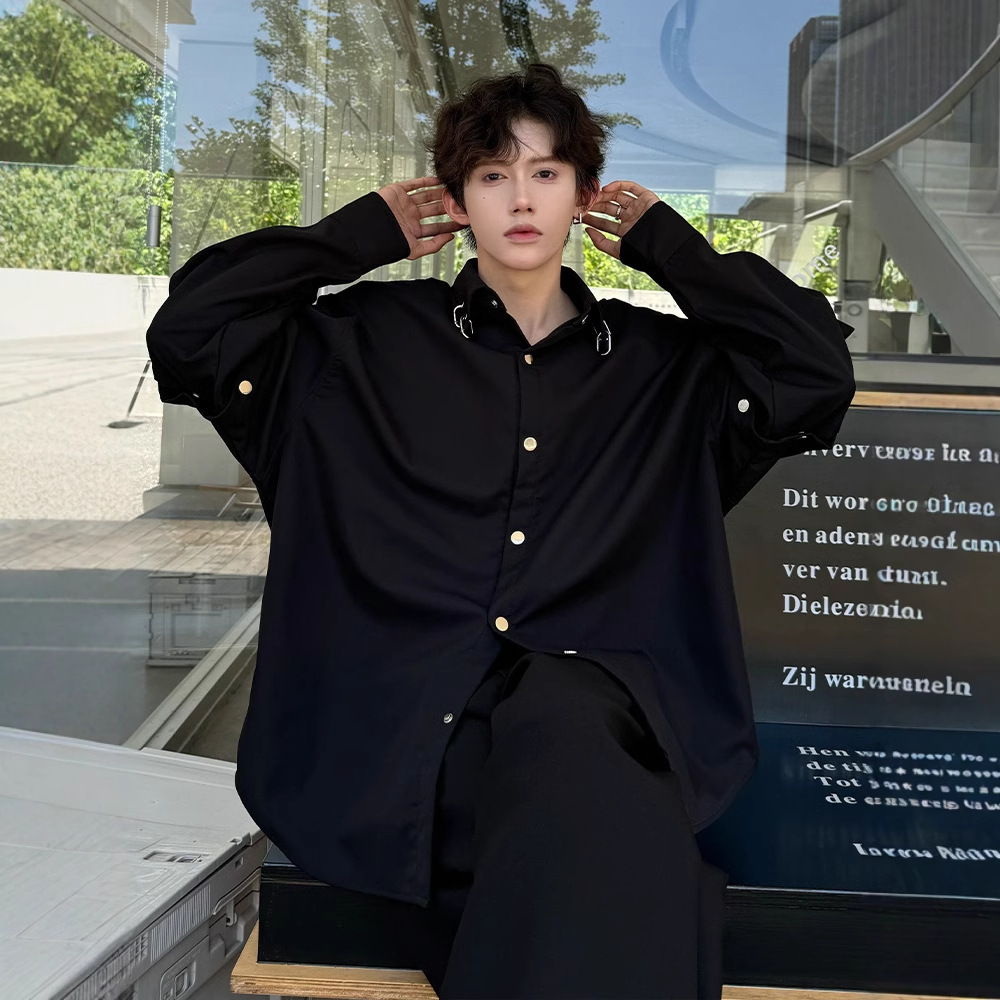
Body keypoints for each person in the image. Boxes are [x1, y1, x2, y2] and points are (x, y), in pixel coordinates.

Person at [146, 63, 855, 999]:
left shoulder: (662, 369)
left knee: (573, 739)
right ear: (456, 201)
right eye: (492, 174)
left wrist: (674, 252)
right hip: (401, 728)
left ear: (585, 196)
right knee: (612, 845)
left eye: (546, 172)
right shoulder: (356, 346)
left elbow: (814, 370)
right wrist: (356, 236)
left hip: (590, 723)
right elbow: (190, 330)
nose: (521, 198)